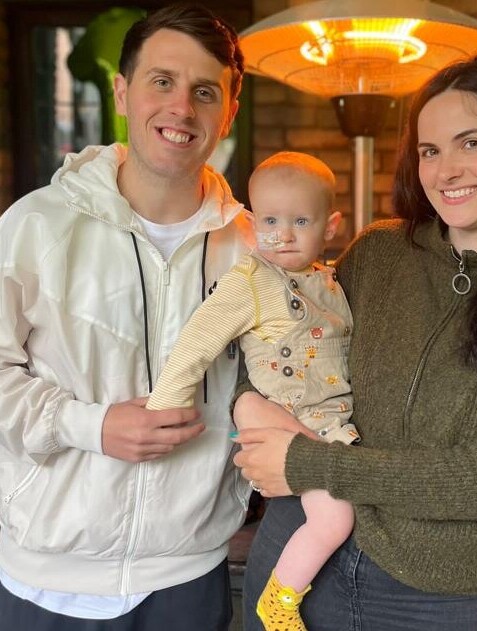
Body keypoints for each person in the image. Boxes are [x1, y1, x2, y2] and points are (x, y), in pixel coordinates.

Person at [232, 55, 477, 630]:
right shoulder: (378, 253)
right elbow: (279, 349)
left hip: (429, 599)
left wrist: (309, 462)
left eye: (471, 143)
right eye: (430, 151)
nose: (446, 170)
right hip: (296, 555)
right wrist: (247, 404)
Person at [0, 3, 251, 630]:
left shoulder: (253, 248)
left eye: (204, 91)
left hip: (188, 580)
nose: (181, 109)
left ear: (229, 111)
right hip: (42, 582)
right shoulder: (35, 226)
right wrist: (91, 425)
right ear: (122, 90)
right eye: (161, 82)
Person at [147, 151, 360, 631]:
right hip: (274, 413)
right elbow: (196, 343)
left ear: (330, 226)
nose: (282, 234)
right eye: (269, 220)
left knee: (338, 508)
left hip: (319, 416)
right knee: (335, 519)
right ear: (252, 221)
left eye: (300, 221)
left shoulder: (327, 282)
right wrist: (164, 406)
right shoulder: (249, 281)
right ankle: (279, 601)